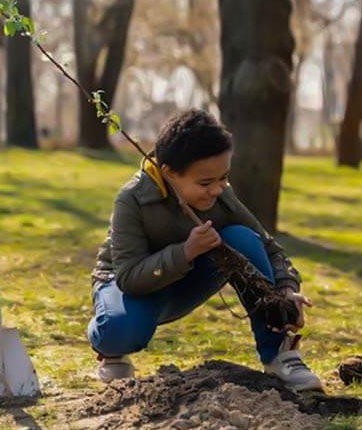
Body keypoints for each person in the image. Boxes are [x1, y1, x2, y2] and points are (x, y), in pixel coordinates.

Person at [88, 109, 323, 392]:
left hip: (186, 282)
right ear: (170, 173)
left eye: (223, 177)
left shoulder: (221, 195)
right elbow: (128, 277)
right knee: (120, 330)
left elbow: (269, 248)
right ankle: (110, 348)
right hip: (130, 287)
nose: (217, 189)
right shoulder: (132, 200)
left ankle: (279, 353)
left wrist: (285, 291)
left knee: (242, 238)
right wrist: (186, 251)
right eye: (205, 183)